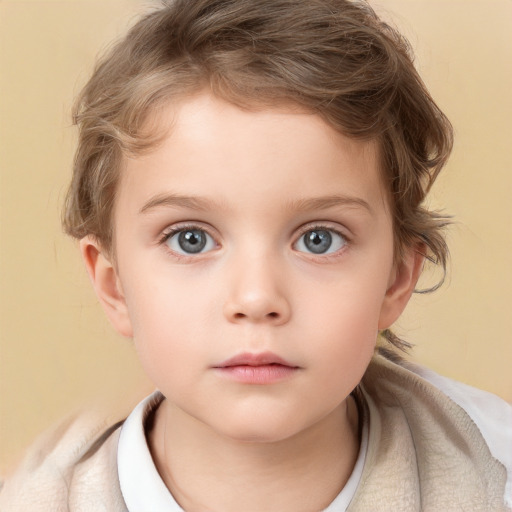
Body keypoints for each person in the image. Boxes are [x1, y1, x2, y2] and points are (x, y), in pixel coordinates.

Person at [1, 0, 510, 510]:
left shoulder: (494, 476)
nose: (256, 298)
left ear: (396, 279)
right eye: (190, 239)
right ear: (114, 286)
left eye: (319, 239)